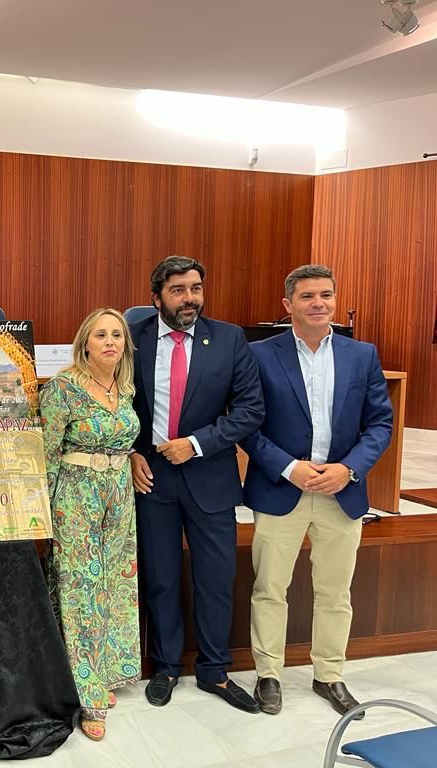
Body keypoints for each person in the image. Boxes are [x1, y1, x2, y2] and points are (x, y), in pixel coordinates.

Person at [242, 265, 392, 717]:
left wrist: (349, 469)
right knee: (270, 588)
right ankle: (269, 673)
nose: (319, 303)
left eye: (326, 294)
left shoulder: (361, 354)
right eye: (308, 296)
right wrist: (288, 467)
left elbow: (379, 424)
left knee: (335, 591)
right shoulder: (258, 354)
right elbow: (247, 423)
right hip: (280, 489)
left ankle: (330, 676)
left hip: (340, 493)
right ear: (288, 305)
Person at [129, 255, 264, 713]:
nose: (190, 299)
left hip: (210, 477)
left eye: (196, 288)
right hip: (153, 480)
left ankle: (214, 670)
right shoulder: (134, 339)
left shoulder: (228, 339)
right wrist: (130, 453)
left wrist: (196, 443)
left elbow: (249, 410)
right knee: (162, 578)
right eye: (179, 290)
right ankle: (165, 666)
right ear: (156, 298)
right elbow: (113, 402)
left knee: (215, 579)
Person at [40, 308, 141, 741]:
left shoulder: (126, 387)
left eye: (117, 335)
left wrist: (131, 457)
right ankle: (87, 695)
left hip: (119, 496)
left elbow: (125, 438)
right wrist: (40, 512)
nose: (110, 342)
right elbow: (45, 451)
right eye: (101, 335)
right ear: (85, 342)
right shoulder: (63, 388)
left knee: (116, 585)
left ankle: (104, 670)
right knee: (80, 589)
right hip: (76, 497)